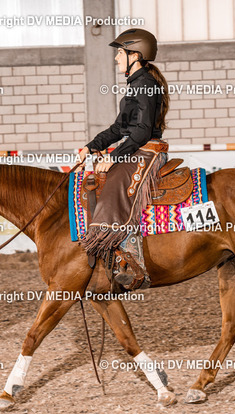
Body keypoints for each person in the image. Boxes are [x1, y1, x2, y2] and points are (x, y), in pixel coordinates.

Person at [77, 28, 170, 290]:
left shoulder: (146, 85)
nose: (116, 58)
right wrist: (92, 146)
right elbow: (119, 128)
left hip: (149, 150)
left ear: (135, 55)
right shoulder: (136, 85)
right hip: (138, 148)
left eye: (120, 53)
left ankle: (131, 259)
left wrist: (115, 156)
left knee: (116, 183)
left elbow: (142, 131)